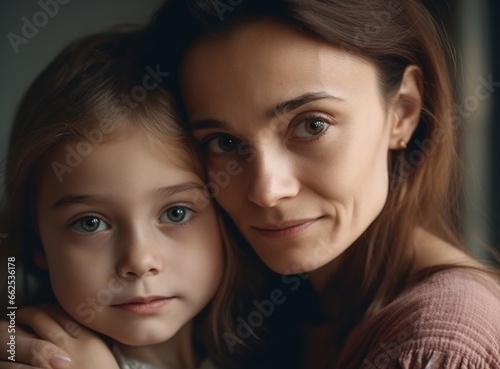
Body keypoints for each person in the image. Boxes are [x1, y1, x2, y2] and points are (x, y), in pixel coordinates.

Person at [2, 0, 500, 368]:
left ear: (403, 110)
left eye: (312, 125)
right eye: (223, 142)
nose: (266, 189)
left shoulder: (438, 343)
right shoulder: (276, 317)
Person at [0, 28, 244, 369]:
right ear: (37, 241)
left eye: (176, 213)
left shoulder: (281, 348)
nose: (139, 261)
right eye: (90, 223)